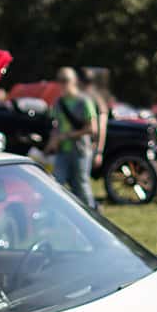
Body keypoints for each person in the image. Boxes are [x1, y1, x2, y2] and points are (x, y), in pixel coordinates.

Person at [50, 66, 98, 208]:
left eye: (66, 80)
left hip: (80, 150)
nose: (63, 84)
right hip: (62, 150)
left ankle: (91, 214)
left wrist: (69, 135)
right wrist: (53, 141)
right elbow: (56, 125)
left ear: (74, 81)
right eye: (60, 80)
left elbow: (92, 128)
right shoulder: (59, 102)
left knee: (81, 185)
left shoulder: (84, 102)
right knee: (56, 183)